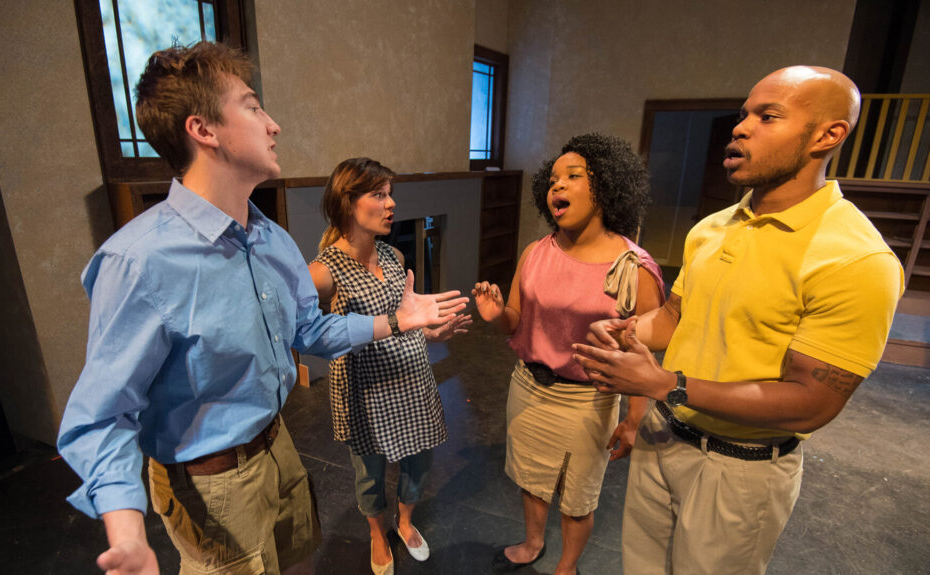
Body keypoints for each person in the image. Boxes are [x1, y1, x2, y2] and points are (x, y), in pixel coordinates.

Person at [56, 42, 467, 575]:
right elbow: (100, 414)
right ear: (203, 130)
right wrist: (127, 526)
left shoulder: (271, 240)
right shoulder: (140, 260)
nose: (273, 125)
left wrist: (396, 320)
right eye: (253, 107)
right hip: (210, 480)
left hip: (278, 445)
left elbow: (310, 331)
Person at [573, 66, 904, 575]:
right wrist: (624, 331)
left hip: (738, 467)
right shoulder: (712, 228)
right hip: (663, 437)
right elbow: (674, 319)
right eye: (744, 114)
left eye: (767, 116)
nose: (741, 127)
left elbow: (812, 403)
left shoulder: (856, 260)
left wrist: (666, 384)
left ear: (828, 135)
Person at [473, 133, 664, 575]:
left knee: (577, 497)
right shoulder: (536, 253)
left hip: (587, 400)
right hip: (528, 386)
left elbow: (646, 354)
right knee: (530, 477)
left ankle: (566, 566)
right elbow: (517, 320)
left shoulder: (633, 267)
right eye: (554, 178)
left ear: (606, 188)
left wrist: (634, 419)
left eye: (573, 176)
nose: (557, 186)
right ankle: (533, 541)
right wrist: (497, 314)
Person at [307, 157, 473, 574]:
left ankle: (404, 522)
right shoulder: (325, 271)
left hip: (413, 378)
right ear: (348, 203)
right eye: (378, 194)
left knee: (420, 462)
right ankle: (377, 532)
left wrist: (433, 334)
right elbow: (307, 328)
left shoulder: (394, 255)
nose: (391, 203)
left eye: (390, 193)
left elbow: (408, 321)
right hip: (366, 390)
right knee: (370, 474)